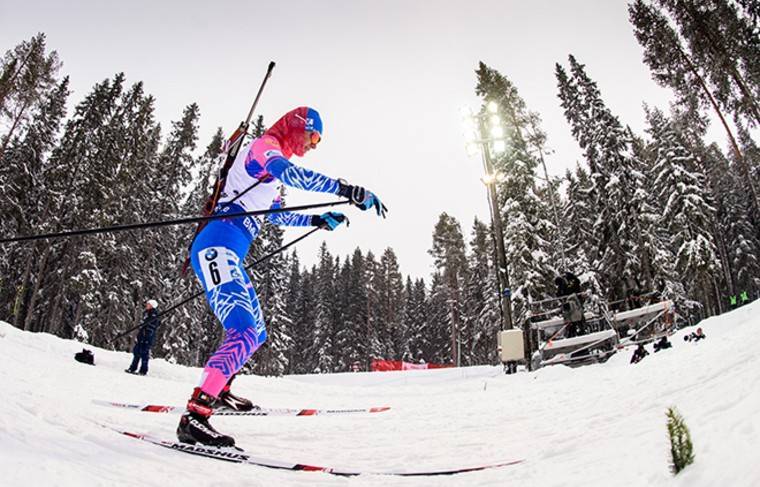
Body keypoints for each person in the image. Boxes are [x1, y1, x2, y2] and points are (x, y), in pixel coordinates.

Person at [177, 107, 386, 447]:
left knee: (255, 333)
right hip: (216, 247)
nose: (314, 145)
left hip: (228, 250)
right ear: (298, 127)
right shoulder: (265, 147)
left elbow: (273, 216)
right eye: (313, 136)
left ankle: (220, 388)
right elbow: (296, 177)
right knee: (242, 330)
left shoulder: (268, 170)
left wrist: (316, 220)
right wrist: (347, 190)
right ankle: (195, 416)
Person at [125, 299, 161, 375]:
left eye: (148, 304)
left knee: (144, 353)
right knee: (137, 352)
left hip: (147, 337)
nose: (146, 305)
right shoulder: (147, 313)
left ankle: (143, 370)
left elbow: (154, 325)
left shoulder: (154, 314)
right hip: (142, 336)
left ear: (152, 306)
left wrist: (147, 327)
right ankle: (133, 368)